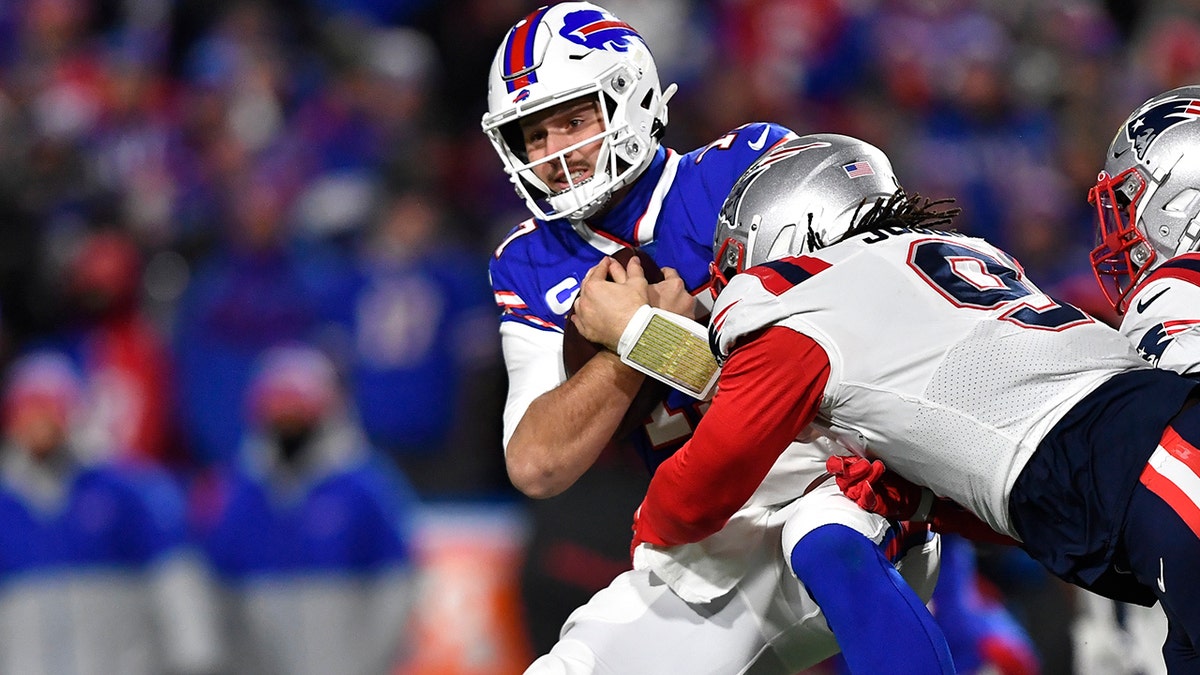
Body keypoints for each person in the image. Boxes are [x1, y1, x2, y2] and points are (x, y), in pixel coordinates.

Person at [595, 132, 1200, 673]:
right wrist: (922, 496)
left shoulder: (797, 299)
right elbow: (1021, 471)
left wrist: (639, 341)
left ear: (782, 236)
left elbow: (702, 488)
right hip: (1145, 462)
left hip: (1152, 462)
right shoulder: (959, 265)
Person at [484, 4, 948, 673]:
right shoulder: (527, 263)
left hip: (838, 482)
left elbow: (822, 373)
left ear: (632, 95)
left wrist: (646, 333)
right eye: (534, 134)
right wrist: (627, 351)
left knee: (827, 542)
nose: (555, 152)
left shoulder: (746, 168)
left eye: (574, 119)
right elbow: (536, 463)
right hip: (704, 541)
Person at [189, 343, 418, 675]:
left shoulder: (365, 487)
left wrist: (370, 663)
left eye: (298, 412)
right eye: (279, 412)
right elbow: (214, 592)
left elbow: (396, 588)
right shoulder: (237, 491)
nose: (288, 424)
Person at [0, 350, 221, 675]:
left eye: (48, 409)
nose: (37, 422)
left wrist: (195, 656)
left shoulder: (128, 492)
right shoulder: (7, 500)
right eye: (28, 410)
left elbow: (174, 580)